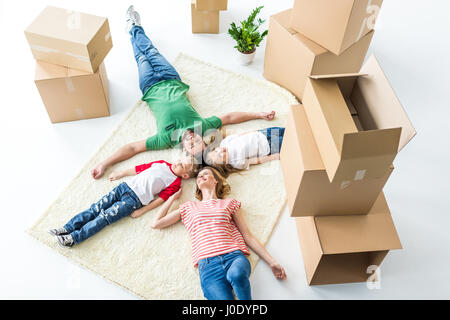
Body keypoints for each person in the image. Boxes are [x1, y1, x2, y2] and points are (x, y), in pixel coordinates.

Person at [91, 6, 276, 180]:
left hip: (149, 86)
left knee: (140, 57)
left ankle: (133, 29)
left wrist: (105, 163)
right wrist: (259, 114)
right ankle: (135, 27)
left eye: (191, 144)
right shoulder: (201, 126)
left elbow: (132, 147)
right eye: (199, 141)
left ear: (185, 149)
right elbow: (229, 117)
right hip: (171, 78)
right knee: (150, 50)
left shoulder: (167, 139)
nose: (193, 139)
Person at [150, 166, 287, 300]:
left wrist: (272, 262)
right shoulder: (188, 207)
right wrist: (172, 198)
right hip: (208, 266)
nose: (201, 177)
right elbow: (156, 223)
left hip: (234, 257)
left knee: (236, 275)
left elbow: (248, 236)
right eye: (198, 177)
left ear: (215, 180)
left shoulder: (229, 203)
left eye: (205, 174)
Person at [49, 156, 200, 248]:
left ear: (186, 175)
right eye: (180, 160)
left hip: (134, 201)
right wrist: (121, 173)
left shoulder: (175, 182)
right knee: (95, 208)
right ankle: (67, 228)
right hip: (124, 187)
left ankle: (73, 238)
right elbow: (140, 169)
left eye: (182, 165)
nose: (177, 163)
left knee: (104, 217)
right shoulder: (161, 163)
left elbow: (160, 200)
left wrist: (142, 211)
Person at [204, 127, 285, 177]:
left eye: (216, 151)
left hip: (262, 133)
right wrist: (272, 157)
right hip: (268, 146)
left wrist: (255, 131)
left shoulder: (224, 143)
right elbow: (256, 160)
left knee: (286, 130)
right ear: (225, 163)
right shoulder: (236, 162)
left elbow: (240, 135)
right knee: (289, 139)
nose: (220, 151)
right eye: (220, 156)